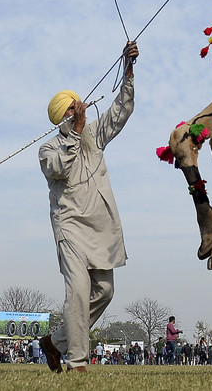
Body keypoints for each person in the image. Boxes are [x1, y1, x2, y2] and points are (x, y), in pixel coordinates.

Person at [39, 41, 139, 374]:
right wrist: (75, 132)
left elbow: (120, 111)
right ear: (61, 116)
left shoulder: (94, 135)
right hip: (70, 227)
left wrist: (128, 69)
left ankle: (55, 342)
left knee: (105, 291)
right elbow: (59, 169)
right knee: (78, 291)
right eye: (70, 110)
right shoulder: (48, 148)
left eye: (76, 107)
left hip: (99, 227)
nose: (77, 111)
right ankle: (77, 361)